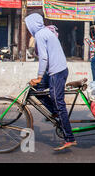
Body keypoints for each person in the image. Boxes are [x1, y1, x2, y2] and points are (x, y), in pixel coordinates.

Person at [25, 13, 77, 151]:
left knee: (59, 103)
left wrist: (39, 77)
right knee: (35, 90)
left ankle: (69, 138)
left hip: (57, 72)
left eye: (28, 25)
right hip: (54, 71)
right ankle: (54, 111)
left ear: (32, 25)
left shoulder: (41, 35)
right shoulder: (46, 32)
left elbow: (43, 58)